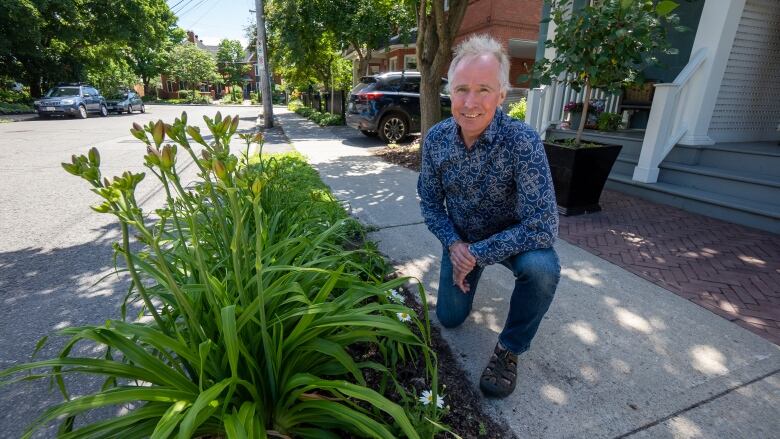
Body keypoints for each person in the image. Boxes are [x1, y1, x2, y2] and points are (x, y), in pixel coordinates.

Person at [417, 35, 561, 398]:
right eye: (462, 89)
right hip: (461, 240)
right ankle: (465, 270)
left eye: (484, 89)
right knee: (449, 320)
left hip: (512, 240)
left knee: (543, 268)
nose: (470, 102)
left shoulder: (522, 141)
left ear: (502, 94)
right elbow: (430, 204)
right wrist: (455, 246)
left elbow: (542, 225)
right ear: (450, 91)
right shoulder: (435, 140)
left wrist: (477, 255)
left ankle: (509, 349)